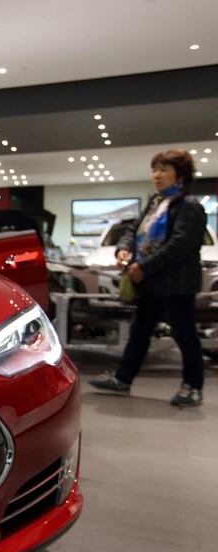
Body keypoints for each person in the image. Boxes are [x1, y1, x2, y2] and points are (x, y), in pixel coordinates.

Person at [89, 149, 206, 407]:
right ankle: (122, 379)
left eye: (164, 169)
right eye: (155, 169)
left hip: (176, 283)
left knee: (184, 334)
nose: (157, 175)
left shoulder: (189, 206)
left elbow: (180, 245)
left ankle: (193, 386)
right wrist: (124, 248)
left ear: (181, 175)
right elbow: (133, 230)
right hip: (150, 282)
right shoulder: (156, 201)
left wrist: (144, 265)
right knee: (139, 332)